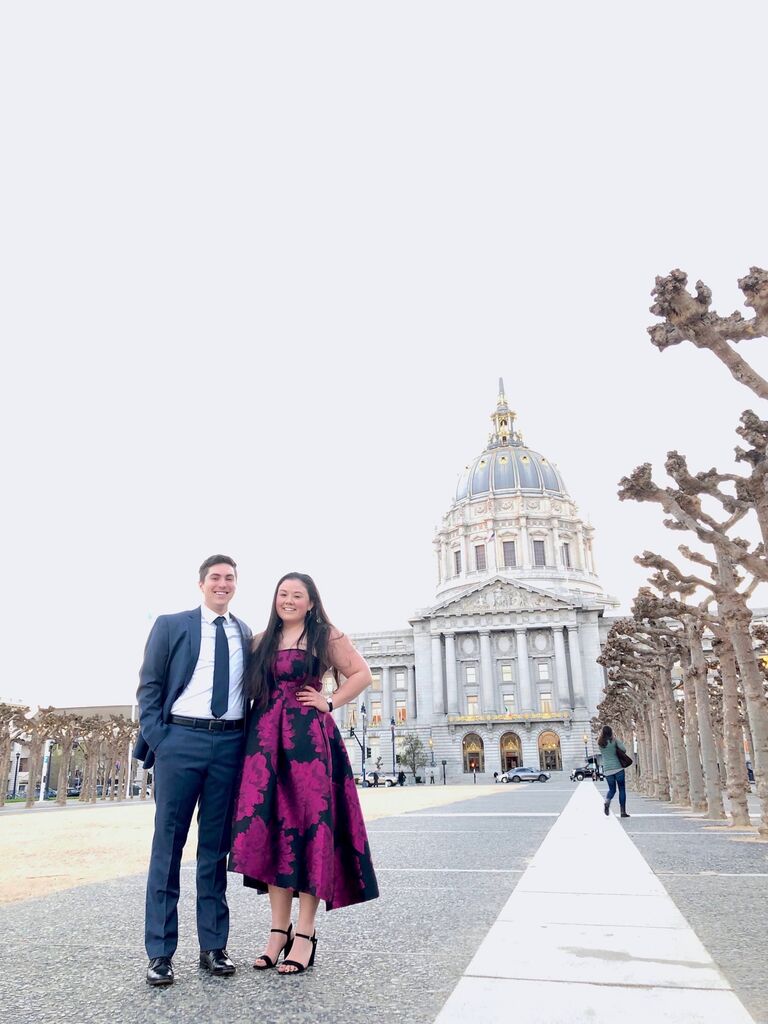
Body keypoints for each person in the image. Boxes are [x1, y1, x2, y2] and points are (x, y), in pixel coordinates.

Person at [230, 572, 379, 975]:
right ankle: (278, 930)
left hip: (308, 744)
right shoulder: (259, 640)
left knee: (311, 830)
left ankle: (306, 935)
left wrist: (329, 702)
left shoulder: (325, 635)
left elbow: (362, 674)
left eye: (298, 595)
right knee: (274, 832)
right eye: (283, 594)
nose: (289, 600)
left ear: (312, 602)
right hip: (265, 744)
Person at [135, 555, 252, 987]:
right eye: (216, 578)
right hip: (179, 742)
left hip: (229, 745)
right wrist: (161, 739)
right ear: (202, 583)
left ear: (236, 585)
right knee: (167, 849)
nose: (223, 584)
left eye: (230, 579)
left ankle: (213, 947)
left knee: (214, 850)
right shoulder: (171, 625)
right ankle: (161, 953)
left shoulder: (244, 633)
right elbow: (148, 685)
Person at [597, 724, 630, 818]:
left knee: (612, 789)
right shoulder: (614, 741)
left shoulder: (600, 743)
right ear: (611, 732)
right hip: (618, 768)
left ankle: (607, 801)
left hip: (607, 769)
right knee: (622, 789)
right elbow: (624, 750)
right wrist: (616, 744)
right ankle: (623, 812)